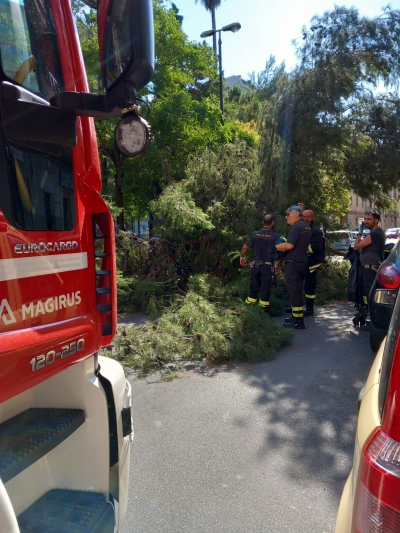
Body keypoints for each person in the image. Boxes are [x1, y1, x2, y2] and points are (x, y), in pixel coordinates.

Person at [275, 205, 311, 329]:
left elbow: (290, 245)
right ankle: (295, 317)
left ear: (296, 214)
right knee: (297, 292)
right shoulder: (306, 226)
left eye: (288, 214)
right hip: (301, 263)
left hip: (294, 264)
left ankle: (298, 321)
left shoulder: (296, 227)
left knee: (294, 292)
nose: (286, 217)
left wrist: (275, 247)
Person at [353, 211, 385, 331]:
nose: (366, 221)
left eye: (369, 219)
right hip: (369, 269)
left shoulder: (374, 234)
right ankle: (368, 318)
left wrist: (359, 233)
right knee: (367, 295)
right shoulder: (378, 233)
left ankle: (372, 322)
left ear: (376, 220)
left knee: (369, 295)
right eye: (365, 219)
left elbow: (356, 247)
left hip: (370, 270)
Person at [240, 215, 279, 313]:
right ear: (273, 223)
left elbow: (245, 247)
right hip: (267, 266)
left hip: (255, 265)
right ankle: (263, 312)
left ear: (262, 222)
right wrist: (279, 265)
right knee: (265, 289)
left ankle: (250, 310)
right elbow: (279, 252)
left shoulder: (255, 234)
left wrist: (242, 256)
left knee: (253, 287)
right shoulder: (275, 236)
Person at [302, 210, 326, 316]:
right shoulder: (302, 229)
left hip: (311, 263)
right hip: (301, 262)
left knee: (309, 286)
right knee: (297, 284)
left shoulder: (316, 232)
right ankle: (295, 305)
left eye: (304, 216)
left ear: (310, 218)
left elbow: (315, 248)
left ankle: (309, 308)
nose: (302, 217)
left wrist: (300, 246)